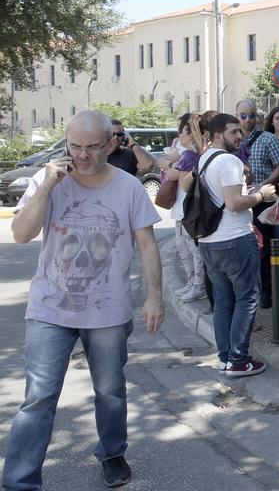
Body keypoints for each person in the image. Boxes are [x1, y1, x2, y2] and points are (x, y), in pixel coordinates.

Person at [3, 110, 164, 489]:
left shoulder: (129, 187)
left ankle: (112, 452)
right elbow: (22, 234)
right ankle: (19, 482)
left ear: (110, 144)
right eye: (74, 146)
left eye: (92, 147)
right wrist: (46, 188)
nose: (82, 155)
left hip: (108, 309)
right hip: (49, 308)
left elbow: (147, 244)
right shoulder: (49, 179)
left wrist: (155, 296)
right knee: (38, 397)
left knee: (109, 390)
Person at [198, 113, 277, 377]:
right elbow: (233, 203)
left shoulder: (204, 159)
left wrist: (246, 193)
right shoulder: (228, 160)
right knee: (247, 299)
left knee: (223, 302)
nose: (239, 136)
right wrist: (260, 195)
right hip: (233, 239)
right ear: (217, 135)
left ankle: (226, 358)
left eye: (238, 132)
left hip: (210, 242)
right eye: (233, 132)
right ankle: (239, 360)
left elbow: (225, 196)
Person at [237, 99, 279, 309]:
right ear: (237, 116)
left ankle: (267, 292)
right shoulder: (234, 139)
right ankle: (250, 291)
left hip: (263, 200)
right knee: (245, 248)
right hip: (239, 200)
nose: (247, 120)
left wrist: (263, 185)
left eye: (251, 115)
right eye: (243, 116)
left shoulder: (267, 138)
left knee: (265, 247)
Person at [160, 113, 207, 303]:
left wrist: (173, 167)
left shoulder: (192, 154)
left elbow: (172, 175)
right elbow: (163, 163)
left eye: (182, 132)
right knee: (182, 247)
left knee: (193, 250)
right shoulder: (186, 153)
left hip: (190, 209)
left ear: (189, 135)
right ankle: (191, 282)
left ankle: (198, 285)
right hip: (180, 208)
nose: (179, 136)